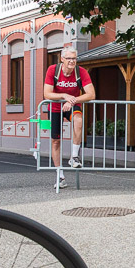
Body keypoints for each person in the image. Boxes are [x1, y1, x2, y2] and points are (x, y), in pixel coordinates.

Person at [43, 47, 95, 187]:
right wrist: (64, 96)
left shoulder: (81, 71)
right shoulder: (53, 70)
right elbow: (47, 94)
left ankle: (74, 156)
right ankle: (60, 176)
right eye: (69, 59)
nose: (72, 61)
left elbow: (91, 94)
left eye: (74, 58)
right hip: (55, 107)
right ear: (62, 59)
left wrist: (72, 101)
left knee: (79, 120)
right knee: (55, 141)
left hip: (73, 104)